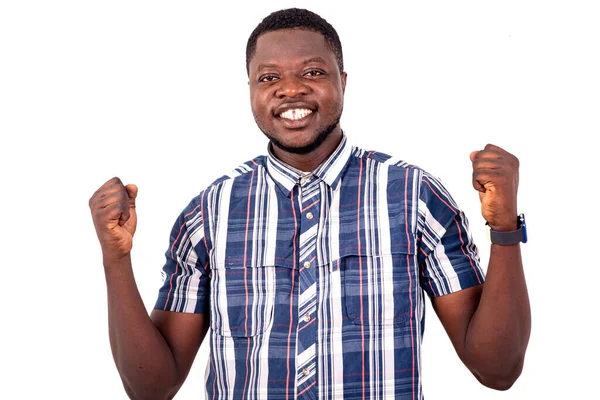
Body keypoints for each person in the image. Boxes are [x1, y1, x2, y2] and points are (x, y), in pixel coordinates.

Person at [89, 8, 530, 400]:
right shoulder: (210, 210)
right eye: (269, 77)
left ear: (343, 81)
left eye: (313, 72)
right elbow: (152, 387)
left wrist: (505, 229)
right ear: (250, 90)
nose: (290, 90)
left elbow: (497, 370)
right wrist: (115, 259)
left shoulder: (413, 196)